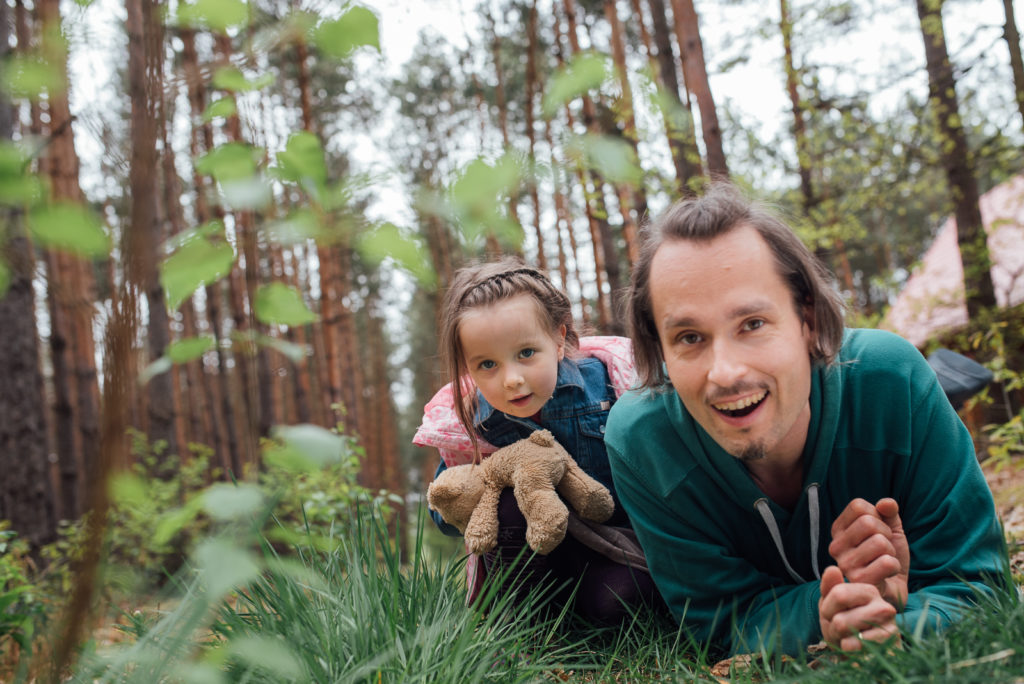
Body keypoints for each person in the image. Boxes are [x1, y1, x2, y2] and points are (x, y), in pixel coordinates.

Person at [605, 183, 1008, 655]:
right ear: (660, 349)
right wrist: (832, 608)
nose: (726, 373)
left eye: (752, 324)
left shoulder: (893, 381)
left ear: (807, 319)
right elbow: (720, 623)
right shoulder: (642, 441)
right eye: (690, 337)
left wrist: (899, 624)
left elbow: (981, 586)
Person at [413, 257, 658, 623]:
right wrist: (466, 493)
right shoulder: (469, 424)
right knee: (505, 499)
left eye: (526, 354)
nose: (511, 379)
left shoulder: (608, 387)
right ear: (468, 366)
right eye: (487, 365)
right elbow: (445, 513)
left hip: (608, 545)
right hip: (528, 558)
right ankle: (521, 615)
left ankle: (579, 606)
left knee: (623, 602)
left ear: (559, 339)